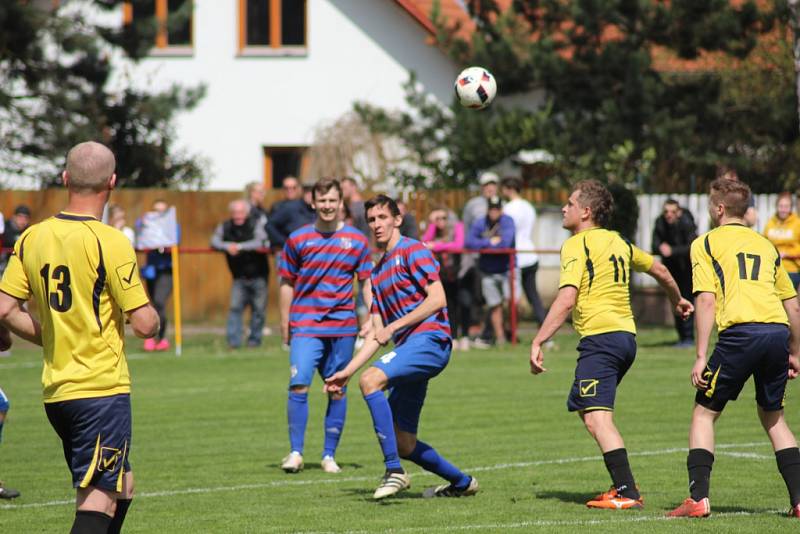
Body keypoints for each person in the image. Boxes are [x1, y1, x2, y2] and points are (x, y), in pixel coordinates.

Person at [0, 141, 159, 533]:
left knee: (123, 485)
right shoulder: (111, 241)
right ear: (113, 182)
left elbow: (4, 309)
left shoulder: (31, 237)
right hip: (99, 391)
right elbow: (143, 324)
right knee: (97, 499)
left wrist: (54, 337)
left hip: (58, 394)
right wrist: (154, 316)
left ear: (66, 178)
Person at [529, 179, 693, 510]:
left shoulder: (577, 244)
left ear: (586, 212)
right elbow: (658, 268)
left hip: (601, 340)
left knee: (596, 419)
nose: (564, 208)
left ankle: (627, 491)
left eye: (570, 204)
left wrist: (538, 339)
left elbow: (566, 298)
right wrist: (678, 299)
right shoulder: (618, 241)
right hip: (625, 338)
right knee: (588, 409)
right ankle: (621, 484)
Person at [325, 194, 478, 500]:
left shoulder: (413, 249)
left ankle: (393, 470)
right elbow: (377, 334)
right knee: (404, 441)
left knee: (372, 381)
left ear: (397, 219)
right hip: (409, 349)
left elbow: (437, 300)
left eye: (382, 218)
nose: (376, 224)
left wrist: (395, 327)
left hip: (431, 340)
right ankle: (461, 482)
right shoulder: (378, 271)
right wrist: (347, 372)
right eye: (371, 220)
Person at [667, 178, 800, 519]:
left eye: (711, 205)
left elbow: (707, 300)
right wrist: (796, 351)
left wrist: (699, 356)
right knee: (774, 417)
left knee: (704, 412)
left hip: (741, 335)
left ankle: (698, 499)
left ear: (720, 209)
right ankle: (799, 501)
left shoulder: (706, 243)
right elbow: (793, 304)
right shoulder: (766, 245)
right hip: (776, 333)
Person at [278, 179, 373, 474]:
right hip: (305, 325)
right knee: (299, 384)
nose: (328, 206)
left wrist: (370, 316)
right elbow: (286, 283)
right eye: (323, 201)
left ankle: (329, 455)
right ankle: (295, 453)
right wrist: (285, 320)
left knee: (337, 389)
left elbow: (366, 282)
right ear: (313, 202)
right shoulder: (297, 239)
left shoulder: (357, 241)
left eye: (333, 200)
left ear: (341, 202)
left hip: (343, 327)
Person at [211, 199, 270, 349]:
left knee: (258, 310)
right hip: (238, 277)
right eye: (235, 212)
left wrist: (239, 247)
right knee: (235, 309)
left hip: (259, 274)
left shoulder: (255, 224)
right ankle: (233, 342)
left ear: (247, 213)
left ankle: (254, 341)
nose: (238, 215)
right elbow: (214, 241)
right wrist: (227, 246)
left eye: (241, 212)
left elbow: (260, 241)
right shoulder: (225, 226)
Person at [466, 196, 515, 346]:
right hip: (487, 270)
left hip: (508, 269)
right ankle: (501, 339)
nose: (494, 212)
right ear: (488, 209)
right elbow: (469, 242)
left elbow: (506, 243)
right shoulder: (480, 222)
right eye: (491, 208)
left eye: (497, 209)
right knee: (495, 305)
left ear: (501, 210)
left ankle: (510, 333)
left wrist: (485, 246)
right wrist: (489, 242)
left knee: (513, 303)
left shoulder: (508, 221)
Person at [422, 207, 469, 350]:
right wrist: (431, 224)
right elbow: (424, 243)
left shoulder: (458, 227)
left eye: (443, 218)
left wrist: (436, 246)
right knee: (449, 307)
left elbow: (458, 246)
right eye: (437, 219)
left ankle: (465, 336)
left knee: (465, 303)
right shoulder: (435, 230)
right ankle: (453, 337)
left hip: (462, 272)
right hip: (444, 276)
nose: (441, 221)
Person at [652, 198, 698, 347]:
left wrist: (672, 250)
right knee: (675, 301)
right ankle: (681, 337)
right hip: (671, 270)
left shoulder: (687, 223)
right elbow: (655, 244)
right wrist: (660, 248)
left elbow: (691, 247)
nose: (668, 215)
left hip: (686, 269)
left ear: (678, 212)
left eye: (672, 212)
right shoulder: (660, 223)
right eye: (666, 212)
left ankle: (689, 337)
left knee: (687, 300)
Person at [501, 176, 546, 326]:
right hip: (530, 254)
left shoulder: (508, 208)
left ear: (509, 189)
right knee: (533, 296)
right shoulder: (529, 206)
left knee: (513, 297)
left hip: (517, 257)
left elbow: (507, 233)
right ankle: (546, 331)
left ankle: (511, 332)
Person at [137, 200, 177, 352]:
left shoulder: (172, 227)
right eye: (156, 210)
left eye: (162, 211)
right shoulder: (148, 225)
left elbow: (175, 241)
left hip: (166, 270)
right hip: (151, 270)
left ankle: (161, 337)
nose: (158, 214)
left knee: (160, 302)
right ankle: (151, 338)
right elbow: (140, 237)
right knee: (151, 304)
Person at [764, 192, 800, 288]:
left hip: (792, 270)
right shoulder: (770, 223)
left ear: (791, 208)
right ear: (776, 206)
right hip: (772, 269)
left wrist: (787, 253)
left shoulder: (797, 223)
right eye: (781, 206)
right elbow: (764, 243)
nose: (783, 209)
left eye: (786, 206)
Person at [267, 183, 316, 253]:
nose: (310, 195)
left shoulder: (317, 210)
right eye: (307, 192)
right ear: (302, 192)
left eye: (313, 192)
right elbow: (270, 225)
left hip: (309, 253)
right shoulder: (290, 208)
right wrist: (285, 242)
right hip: (289, 252)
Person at [0, 205, 32, 276]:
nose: (22, 221)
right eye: (20, 217)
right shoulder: (4, 228)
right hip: (4, 264)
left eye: (25, 218)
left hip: (21, 266)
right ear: (14, 217)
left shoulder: (30, 231)